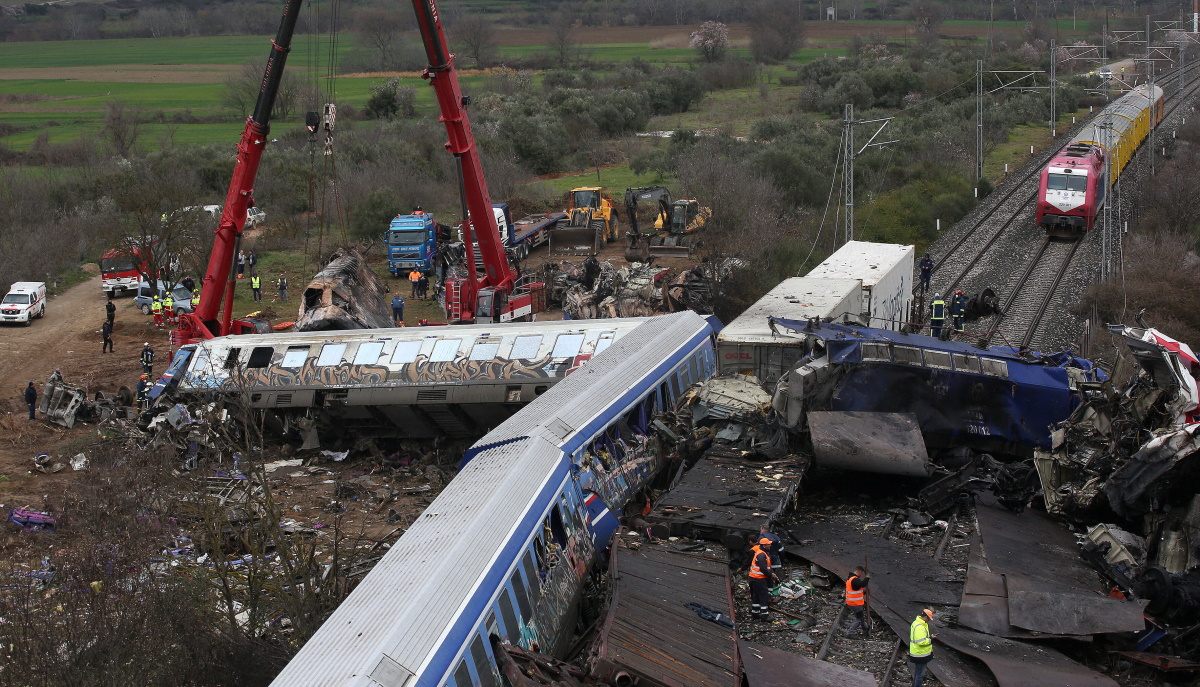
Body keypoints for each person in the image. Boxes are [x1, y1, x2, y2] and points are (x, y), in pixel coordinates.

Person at [747, 537, 778, 621]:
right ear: (764, 545)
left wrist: (771, 572)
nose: (770, 545)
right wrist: (771, 575)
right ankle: (764, 615)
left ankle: (755, 613)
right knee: (763, 596)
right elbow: (763, 569)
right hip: (759, 579)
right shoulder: (761, 555)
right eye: (769, 544)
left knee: (756, 595)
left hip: (755, 578)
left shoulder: (763, 553)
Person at [909, 608, 936, 687]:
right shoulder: (920, 627)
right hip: (920, 654)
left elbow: (921, 638)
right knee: (920, 674)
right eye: (929, 619)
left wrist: (929, 637)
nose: (929, 621)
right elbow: (920, 641)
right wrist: (931, 640)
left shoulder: (916, 623)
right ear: (926, 617)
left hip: (918, 653)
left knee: (918, 672)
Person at [845, 566, 870, 637]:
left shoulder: (850, 579)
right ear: (859, 572)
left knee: (861, 617)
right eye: (861, 573)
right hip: (856, 603)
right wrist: (867, 578)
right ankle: (850, 633)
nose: (861, 575)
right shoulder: (855, 579)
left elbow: (856, 590)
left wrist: (864, 593)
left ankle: (865, 629)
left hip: (851, 602)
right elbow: (862, 584)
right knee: (858, 619)